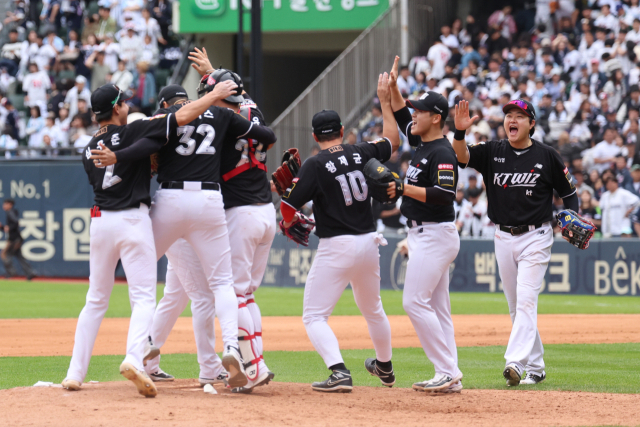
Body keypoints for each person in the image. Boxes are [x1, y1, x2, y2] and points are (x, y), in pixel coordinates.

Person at [91, 75, 277, 389]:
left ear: (166, 103)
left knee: (145, 278)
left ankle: (138, 355)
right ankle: (230, 346)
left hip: (170, 201)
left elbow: (144, 148)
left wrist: (117, 156)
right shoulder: (221, 114)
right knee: (221, 284)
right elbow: (265, 134)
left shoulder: (163, 119)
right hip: (209, 201)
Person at [61, 82, 234, 396]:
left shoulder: (88, 147)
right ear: (116, 108)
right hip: (132, 220)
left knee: (95, 300)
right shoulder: (135, 130)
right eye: (124, 102)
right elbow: (182, 117)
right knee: (142, 297)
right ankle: (133, 358)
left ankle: (75, 373)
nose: (127, 105)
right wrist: (211, 96)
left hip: (100, 222)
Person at [279, 75, 400, 393]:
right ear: (342, 132)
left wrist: (286, 206)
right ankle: (384, 366)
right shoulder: (361, 150)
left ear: (316, 136)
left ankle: (338, 372)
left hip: (337, 246)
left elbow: (288, 210)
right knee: (373, 310)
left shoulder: (315, 164)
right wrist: (385, 103)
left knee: (314, 316)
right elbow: (392, 141)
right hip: (369, 243)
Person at [452, 98, 580, 387]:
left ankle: (515, 363)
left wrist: (571, 215)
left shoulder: (547, 156)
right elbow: (461, 157)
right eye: (509, 114)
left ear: (531, 124)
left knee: (525, 301)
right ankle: (536, 366)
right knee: (516, 306)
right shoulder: (492, 151)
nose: (512, 119)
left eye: (519, 116)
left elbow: (569, 193)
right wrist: (459, 133)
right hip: (502, 236)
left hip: (536, 235)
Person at [386, 57, 463, 393]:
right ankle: (450, 374)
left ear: (436, 118)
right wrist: (393, 92)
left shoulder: (442, 153)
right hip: (422, 234)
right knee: (437, 308)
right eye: (414, 109)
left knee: (413, 302)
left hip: (434, 234)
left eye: (421, 111)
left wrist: (404, 187)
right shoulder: (422, 143)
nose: (413, 114)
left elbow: (444, 194)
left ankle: (446, 370)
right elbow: (404, 115)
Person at [1, 199, 35, 280]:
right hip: (17, 238)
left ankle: (11, 272)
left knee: (5, 254)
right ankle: (30, 273)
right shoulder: (12, 212)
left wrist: (7, 227)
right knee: (19, 256)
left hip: (14, 239)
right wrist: (3, 227)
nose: (4, 206)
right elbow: (10, 227)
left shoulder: (10, 212)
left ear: (10, 204)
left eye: (5, 204)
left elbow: (15, 223)